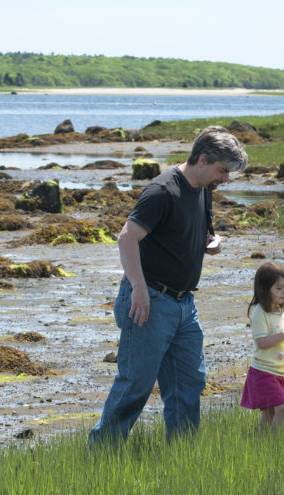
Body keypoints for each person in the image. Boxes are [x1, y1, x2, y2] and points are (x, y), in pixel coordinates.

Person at [90, 126, 248, 443]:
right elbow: (127, 239)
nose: (225, 179)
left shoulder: (204, 189)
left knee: (189, 380)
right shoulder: (162, 191)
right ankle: (103, 450)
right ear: (202, 159)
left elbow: (196, 233)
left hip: (184, 305)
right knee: (137, 382)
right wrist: (137, 288)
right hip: (148, 300)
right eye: (222, 170)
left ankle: (182, 451)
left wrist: (210, 243)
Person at [240, 261, 284, 429]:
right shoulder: (260, 312)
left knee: (269, 413)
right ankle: (277, 445)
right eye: (279, 288)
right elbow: (262, 343)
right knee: (282, 408)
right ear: (264, 289)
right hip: (264, 371)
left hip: (281, 372)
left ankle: (261, 443)